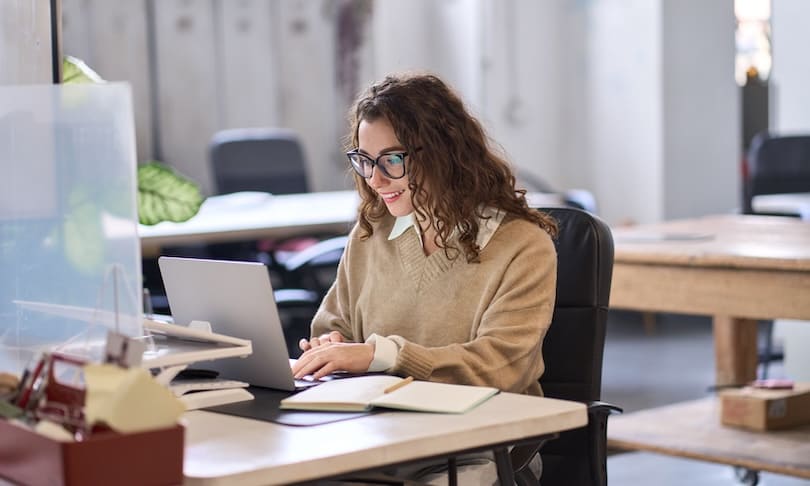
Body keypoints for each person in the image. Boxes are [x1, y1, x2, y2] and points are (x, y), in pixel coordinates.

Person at [292, 73, 558, 484]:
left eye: (391, 160)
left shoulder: (522, 245)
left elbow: (500, 368)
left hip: (475, 448)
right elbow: (334, 326)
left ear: (442, 152)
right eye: (364, 160)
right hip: (374, 435)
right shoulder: (371, 232)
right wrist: (333, 346)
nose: (374, 180)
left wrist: (384, 355)